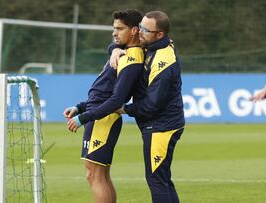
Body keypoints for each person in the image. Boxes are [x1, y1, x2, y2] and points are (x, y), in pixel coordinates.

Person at [63, 9, 143, 203]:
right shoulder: (122, 52)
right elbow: (104, 91)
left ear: (134, 31)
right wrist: (81, 107)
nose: (114, 33)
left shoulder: (131, 58)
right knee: (100, 175)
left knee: (95, 175)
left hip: (103, 119)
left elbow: (116, 100)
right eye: (113, 29)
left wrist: (83, 117)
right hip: (99, 115)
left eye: (119, 29)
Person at [112, 11, 185, 203]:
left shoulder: (163, 61)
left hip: (161, 126)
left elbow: (153, 104)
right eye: (140, 26)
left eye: (145, 29)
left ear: (159, 34)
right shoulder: (154, 44)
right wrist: (114, 49)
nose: (139, 32)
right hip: (161, 123)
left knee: (156, 180)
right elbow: (123, 40)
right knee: (162, 180)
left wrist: (126, 109)